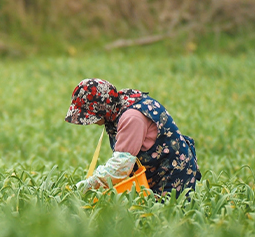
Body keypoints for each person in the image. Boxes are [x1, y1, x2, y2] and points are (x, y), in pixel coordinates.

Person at [65, 78, 200, 196]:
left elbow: (120, 168)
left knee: (167, 220)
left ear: (100, 109)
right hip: (156, 173)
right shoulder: (118, 105)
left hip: (171, 175)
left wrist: (86, 186)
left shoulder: (131, 118)